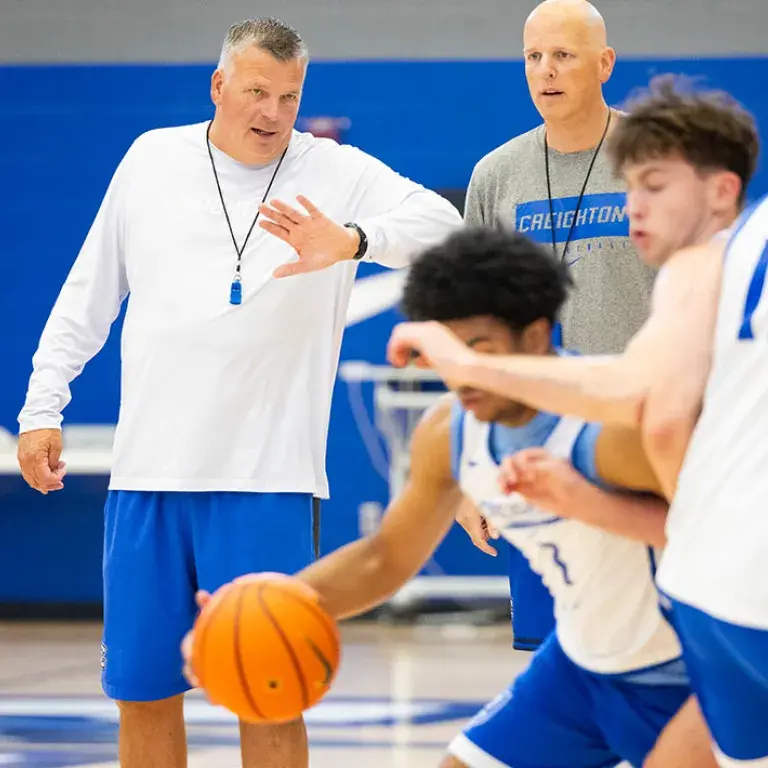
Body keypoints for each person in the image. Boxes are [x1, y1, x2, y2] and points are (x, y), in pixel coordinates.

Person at [15, 16, 462, 768]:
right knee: (143, 696)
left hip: (267, 481)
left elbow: (446, 226)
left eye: (289, 97)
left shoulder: (333, 168)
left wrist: (352, 240)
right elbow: (88, 293)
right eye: (256, 92)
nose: (272, 114)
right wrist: (41, 406)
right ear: (219, 85)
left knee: (271, 691)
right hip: (148, 479)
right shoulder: (151, 159)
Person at [184, 228, 715, 768]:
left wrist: (587, 501)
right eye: (447, 351)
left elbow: (726, 535)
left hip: (682, 674)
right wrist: (247, 615)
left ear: (535, 338)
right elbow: (383, 559)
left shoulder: (610, 428)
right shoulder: (449, 431)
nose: (462, 375)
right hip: (578, 669)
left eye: (478, 351)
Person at [386, 78, 764, 765]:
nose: (632, 207)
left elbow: (639, 399)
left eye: (654, 185)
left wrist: (463, 364)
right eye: (631, 186)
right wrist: (585, 499)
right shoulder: (699, 269)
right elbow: (661, 432)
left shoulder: (707, 266)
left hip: (717, 601)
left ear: (720, 191)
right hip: (717, 591)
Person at [461, 0, 657, 648]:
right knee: (551, 664)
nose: (545, 71)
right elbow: (474, 330)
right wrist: (469, 471)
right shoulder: (496, 175)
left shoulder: (656, 161)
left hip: (645, 446)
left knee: (658, 661)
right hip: (533, 450)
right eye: (533, 56)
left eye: (564, 56)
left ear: (604, 64)